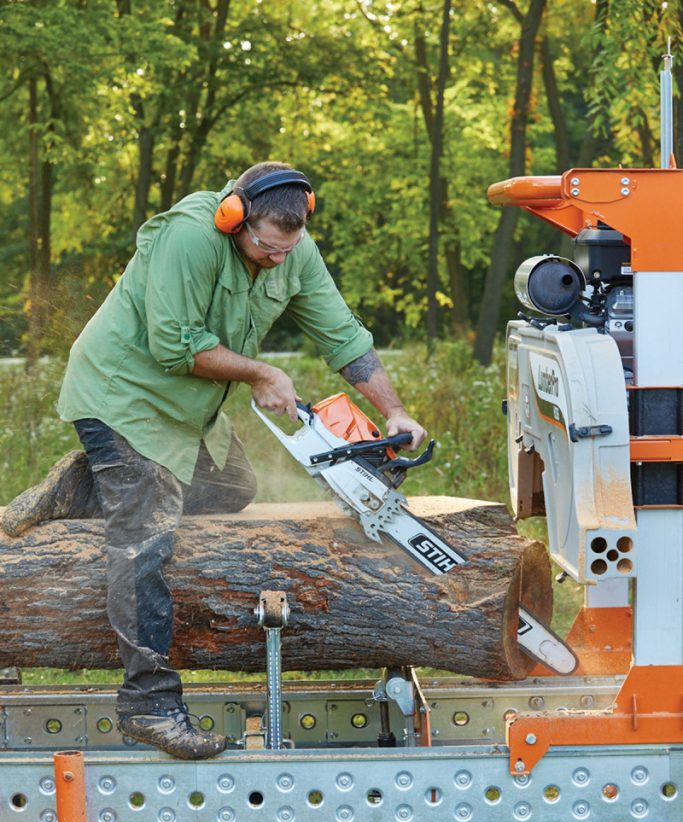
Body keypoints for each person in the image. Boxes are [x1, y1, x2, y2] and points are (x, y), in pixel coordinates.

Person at [2, 162, 427, 760]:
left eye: (289, 247)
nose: (277, 259)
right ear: (234, 217)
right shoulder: (190, 238)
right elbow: (174, 344)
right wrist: (260, 372)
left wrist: (395, 413)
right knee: (145, 534)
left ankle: (83, 489)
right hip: (121, 396)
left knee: (233, 485)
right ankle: (148, 705)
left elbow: (343, 336)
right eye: (265, 247)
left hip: (187, 414)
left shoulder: (293, 250)